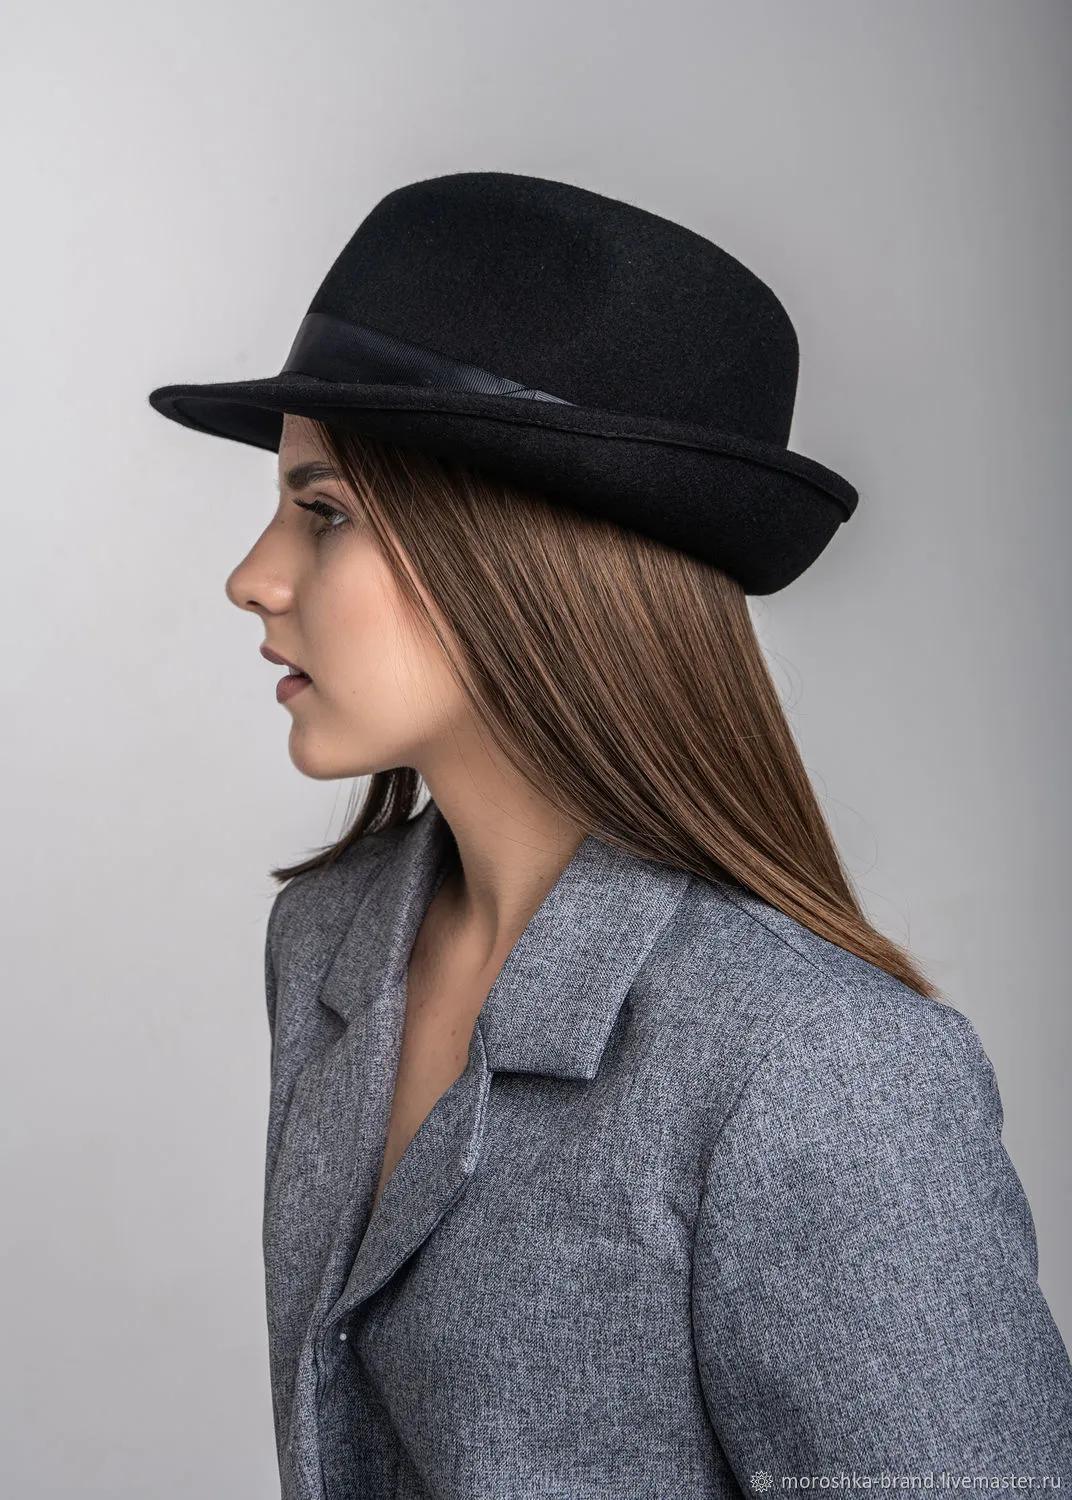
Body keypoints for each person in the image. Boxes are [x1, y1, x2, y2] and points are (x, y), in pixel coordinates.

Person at [151, 171, 1072, 1497]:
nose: (253, 577)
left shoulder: (816, 1068)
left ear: (521, 558)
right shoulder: (333, 940)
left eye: (326, 510)